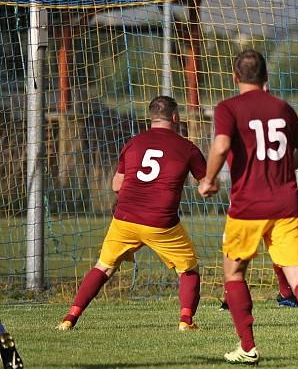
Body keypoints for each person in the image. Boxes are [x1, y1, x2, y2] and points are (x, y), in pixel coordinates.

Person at [198, 49, 298, 369]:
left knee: (234, 273)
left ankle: (248, 347)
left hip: (247, 207)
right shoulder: (282, 107)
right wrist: (284, 169)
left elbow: (220, 145)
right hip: (286, 205)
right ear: (265, 77)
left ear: (235, 76)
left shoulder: (228, 108)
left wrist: (208, 178)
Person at [57, 96, 205, 331]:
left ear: (151, 117)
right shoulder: (187, 147)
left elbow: (117, 185)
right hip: (161, 222)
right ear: (175, 117)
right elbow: (205, 185)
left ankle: (69, 318)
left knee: (103, 267)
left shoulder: (134, 143)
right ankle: (186, 320)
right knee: (188, 269)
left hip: (125, 218)